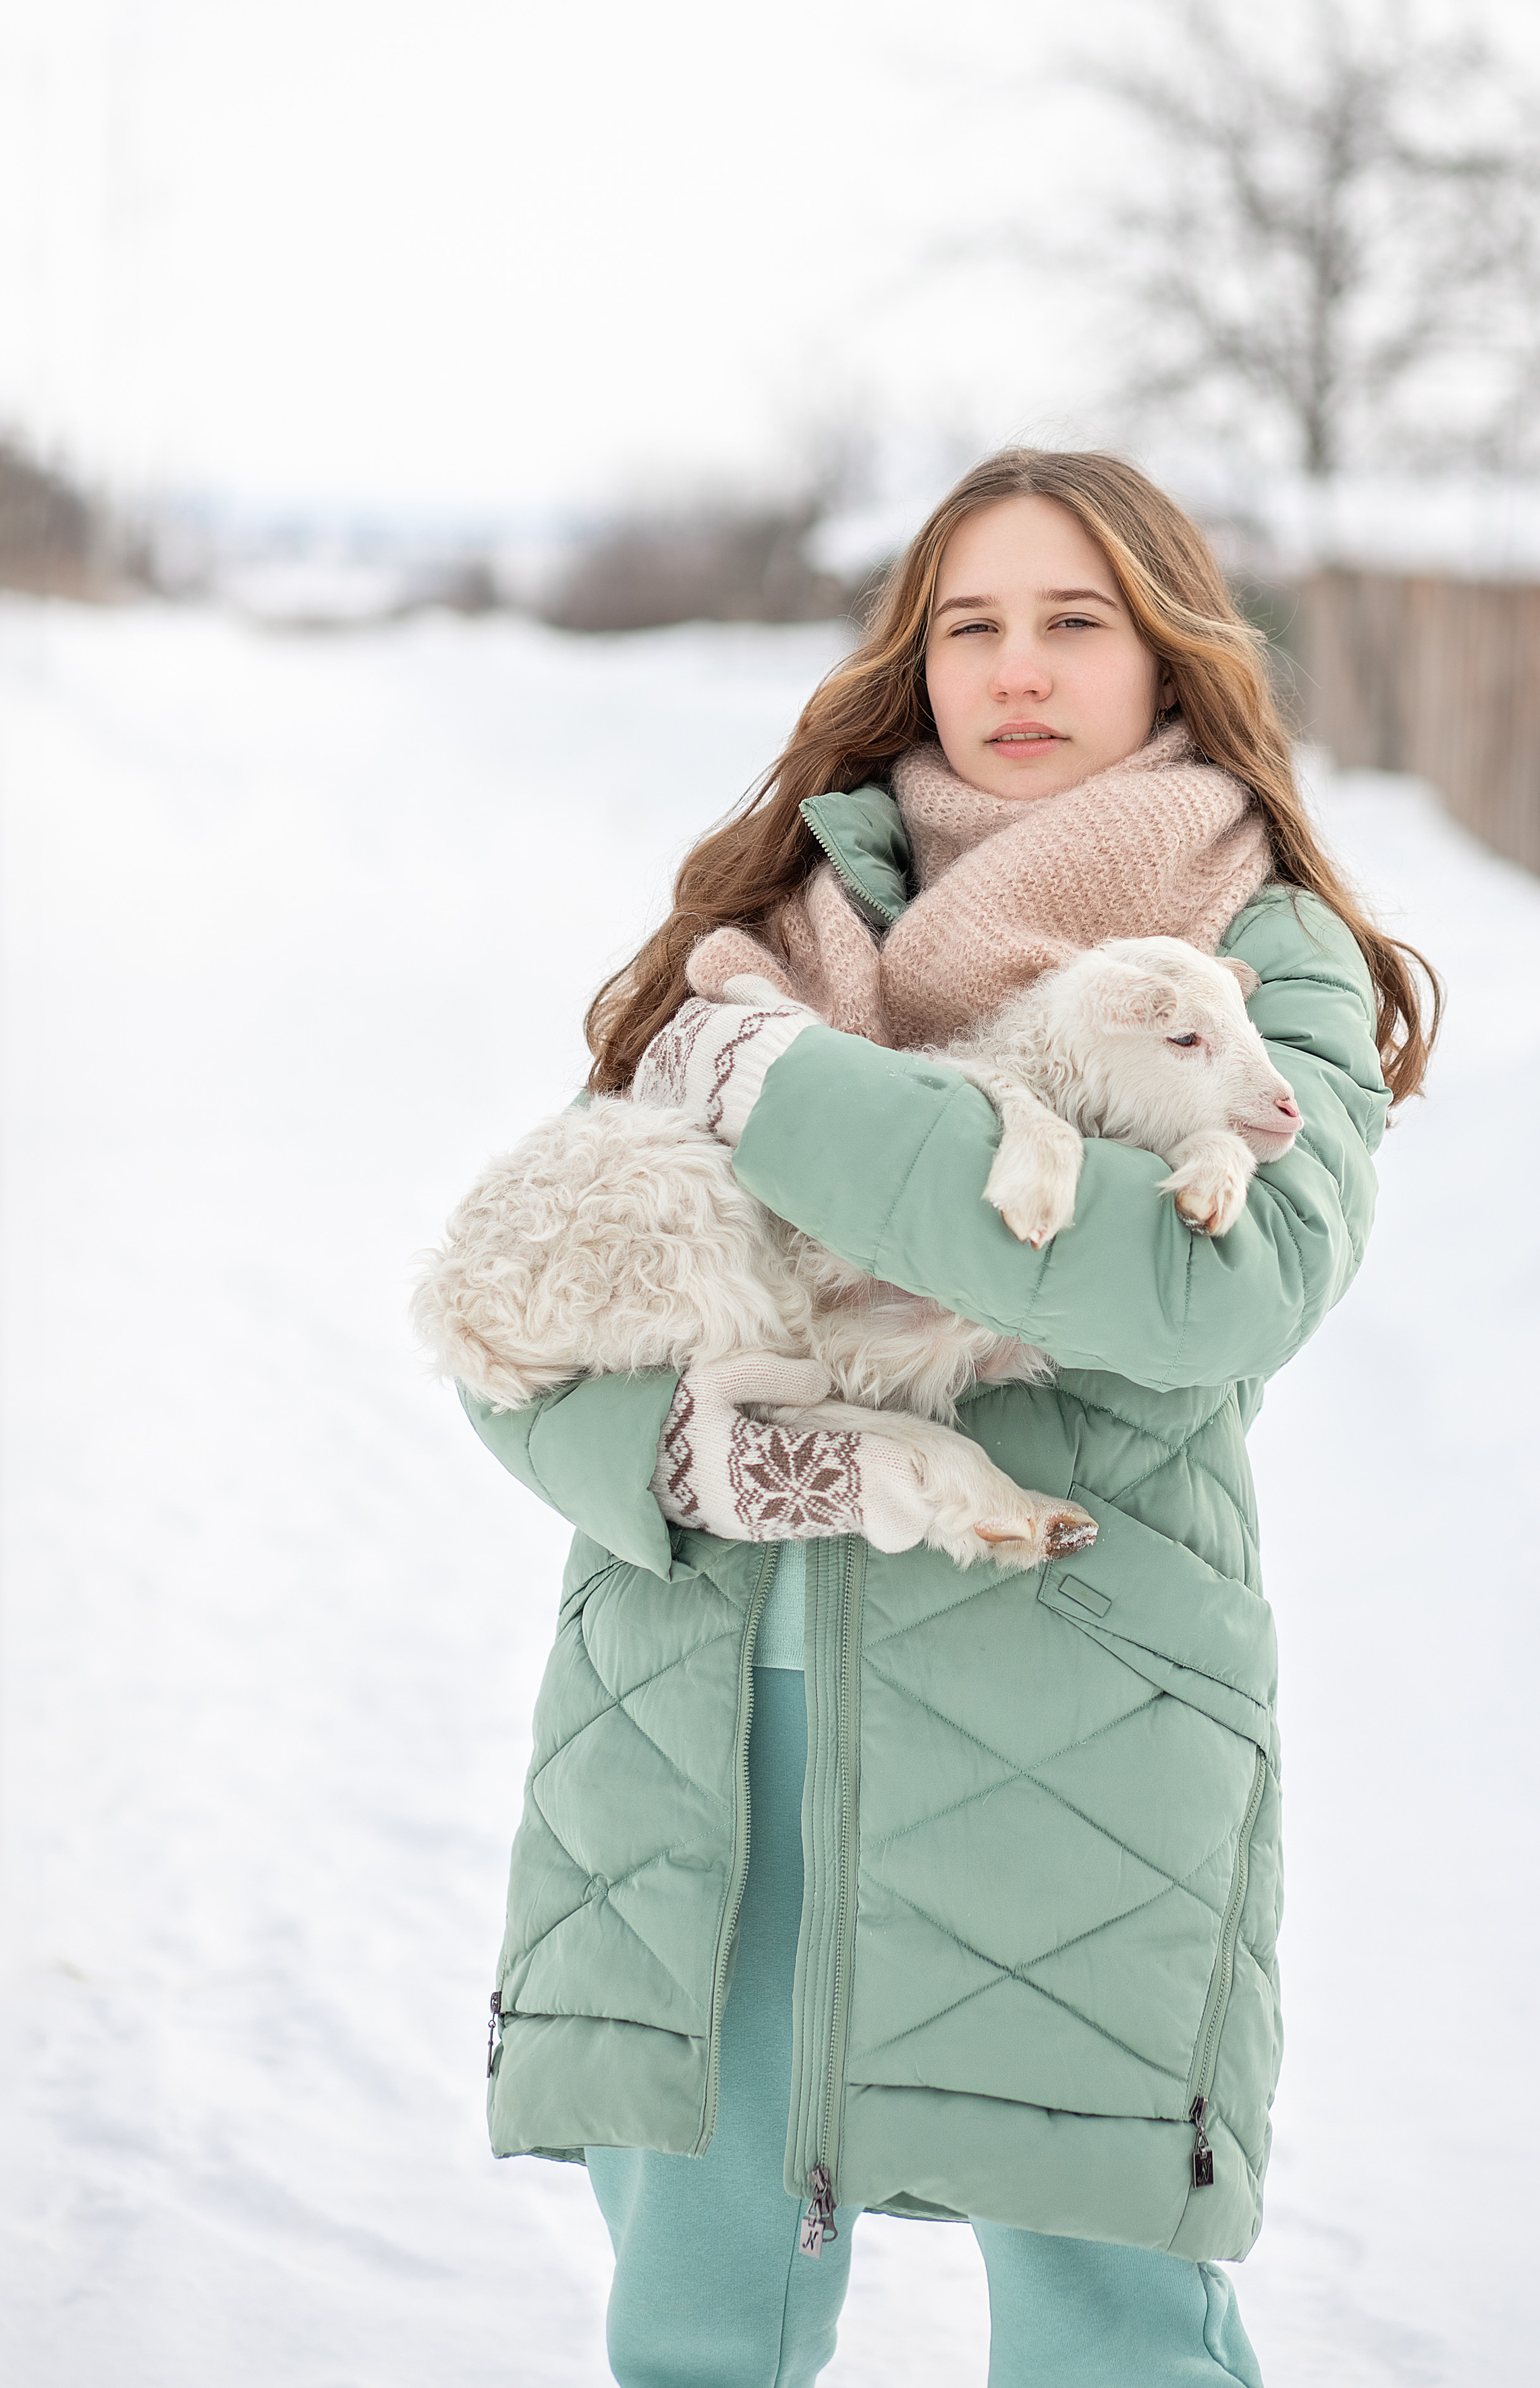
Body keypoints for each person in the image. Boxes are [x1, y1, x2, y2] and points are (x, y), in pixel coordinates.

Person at [460, 450, 1436, 2387]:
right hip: (700, 1731)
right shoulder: (767, 924)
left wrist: (784, 1097)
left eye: (1077, 619)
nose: (1019, 666)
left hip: (1074, 1728)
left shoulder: (1258, 943)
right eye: (969, 623)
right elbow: (538, 1311)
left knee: (1110, 2342)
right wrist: (688, 1460)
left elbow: (1213, 1284)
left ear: (1171, 657)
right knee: (694, 2333)